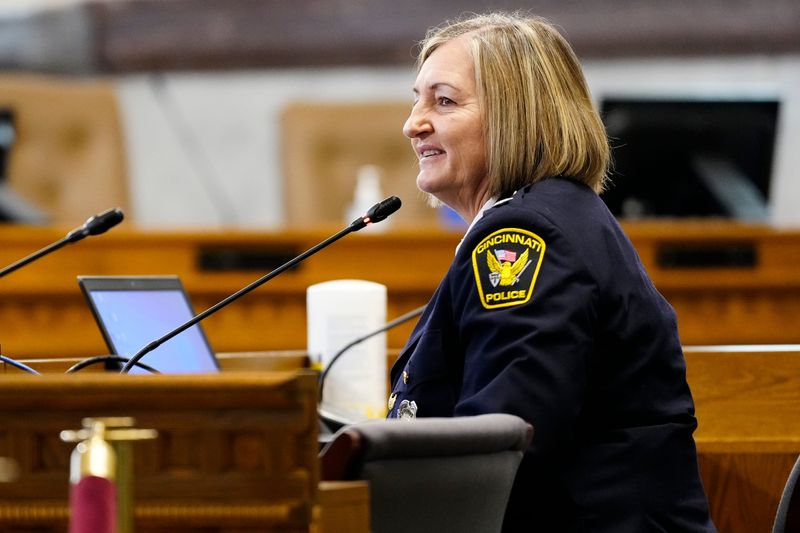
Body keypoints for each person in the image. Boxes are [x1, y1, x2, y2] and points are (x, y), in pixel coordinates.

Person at [387, 12, 716, 532]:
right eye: (416, 98)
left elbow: (499, 443)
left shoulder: (524, 235)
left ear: (516, 115)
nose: (413, 122)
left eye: (443, 101)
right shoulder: (557, 213)